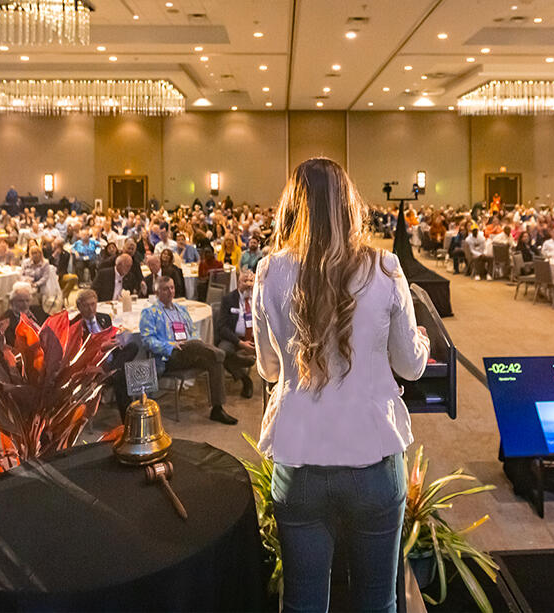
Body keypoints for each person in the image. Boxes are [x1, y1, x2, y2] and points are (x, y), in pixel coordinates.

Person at [254, 157, 429, 612]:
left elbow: (269, 370)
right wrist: (422, 340)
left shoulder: (269, 272)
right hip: (372, 459)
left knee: (303, 603)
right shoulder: (385, 268)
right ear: (350, 206)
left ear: (292, 208)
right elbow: (411, 366)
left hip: (300, 459)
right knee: (377, 601)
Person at [139, 276, 238, 425]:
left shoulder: (182, 310)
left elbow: (193, 332)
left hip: (190, 351)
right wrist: (170, 345)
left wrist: (191, 341)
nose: (170, 292)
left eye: (172, 288)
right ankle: (223, 354)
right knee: (209, 351)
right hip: (169, 357)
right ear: (157, 292)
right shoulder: (149, 313)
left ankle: (217, 409)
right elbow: (147, 341)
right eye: (165, 289)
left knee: (213, 360)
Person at [71, 289, 140, 415]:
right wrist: (102, 348)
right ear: (79, 307)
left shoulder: (104, 318)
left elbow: (112, 338)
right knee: (121, 376)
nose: (91, 309)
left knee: (133, 346)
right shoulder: (75, 325)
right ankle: (128, 419)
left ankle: (111, 373)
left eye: (93, 304)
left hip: (112, 359)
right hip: (95, 364)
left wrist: (116, 343)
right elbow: (79, 353)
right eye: (86, 306)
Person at [215, 269, 259, 398]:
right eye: (244, 281)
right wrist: (240, 343)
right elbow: (222, 327)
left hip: (256, 339)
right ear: (238, 283)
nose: (248, 284)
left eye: (251, 281)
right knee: (222, 352)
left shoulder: (260, 299)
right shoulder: (229, 299)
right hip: (234, 339)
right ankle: (245, 379)